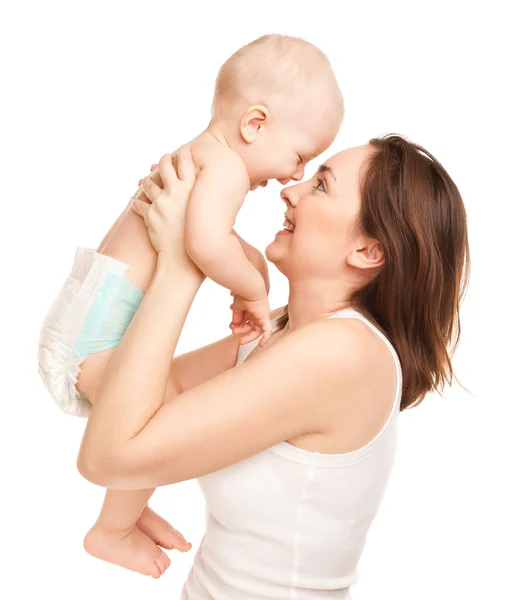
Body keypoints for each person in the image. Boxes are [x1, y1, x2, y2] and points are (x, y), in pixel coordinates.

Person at [77, 134, 470, 599]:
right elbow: (119, 396)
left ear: (368, 251)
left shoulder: (342, 353)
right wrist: (157, 227)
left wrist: (182, 267)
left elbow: (106, 457)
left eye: (322, 186)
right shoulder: (283, 330)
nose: (292, 189)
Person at [37, 34, 343, 577]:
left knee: (161, 401)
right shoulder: (223, 170)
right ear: (255, 123)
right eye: (301, 156)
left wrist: (252, 267)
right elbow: (203, 245)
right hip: (95, 339)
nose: (295, 175)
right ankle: (112, 528)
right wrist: (251, 291)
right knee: (154, 417)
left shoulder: (202, 158)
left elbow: (215, 239)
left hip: (87, 318)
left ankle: (128, 502)